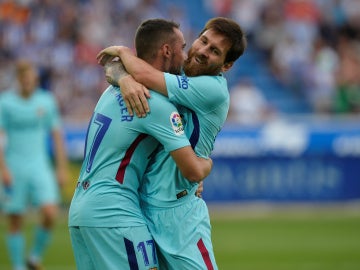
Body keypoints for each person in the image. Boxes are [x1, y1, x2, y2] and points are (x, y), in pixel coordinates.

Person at [97, 16, 247, 269]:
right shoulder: (174, 74)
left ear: (227, 65)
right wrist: (124, 79)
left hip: (180, 213)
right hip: (141, 207)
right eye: (203, 41)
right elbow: (113, 68)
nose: (201, 51)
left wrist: (123, 51)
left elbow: (139, 71)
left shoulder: (213, 89)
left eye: (214, 51)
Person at [68, 19, 213, 270]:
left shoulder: (114, 89)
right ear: (167, 50)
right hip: (116, 212)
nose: (186, 54)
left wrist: (122, 76)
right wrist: (206, 165)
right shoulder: (152, 102)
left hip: (81, 211)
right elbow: (191, 170)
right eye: (183, 47)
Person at [0, 59, 68, 270]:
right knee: (15, 218)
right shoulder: (6, 102)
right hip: (14, 165)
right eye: (25, 79)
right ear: (19, 80)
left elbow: (56, 135)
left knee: (50, 212)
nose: (29, 83)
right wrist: (3, 169)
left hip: (40, 165)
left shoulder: (46, 101)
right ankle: (19, 265)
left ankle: (34, 257)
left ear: (35, 79)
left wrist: (61, 167)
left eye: (31, 79)